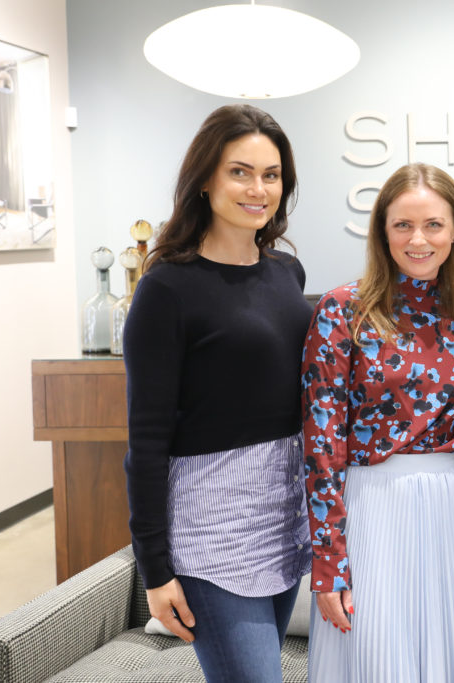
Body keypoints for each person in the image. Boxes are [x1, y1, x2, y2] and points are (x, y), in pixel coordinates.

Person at [123, 104, 311, 682]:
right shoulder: (166, 289)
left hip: (281, 515)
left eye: (271, 175)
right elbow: (146, 442)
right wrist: (155, 570)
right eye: (240, 172)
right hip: (210, 526)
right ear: (205, 178)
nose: (258, 189)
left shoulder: (287, 273)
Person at [303, 163, 454, 683]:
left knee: (453, 658)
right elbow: (321, 447)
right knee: (374, 661)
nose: (419, 239)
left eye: (433, 225)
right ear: (381, 231)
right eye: (402, 225)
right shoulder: (342, 310)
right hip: (372, 506)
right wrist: (328, 563)